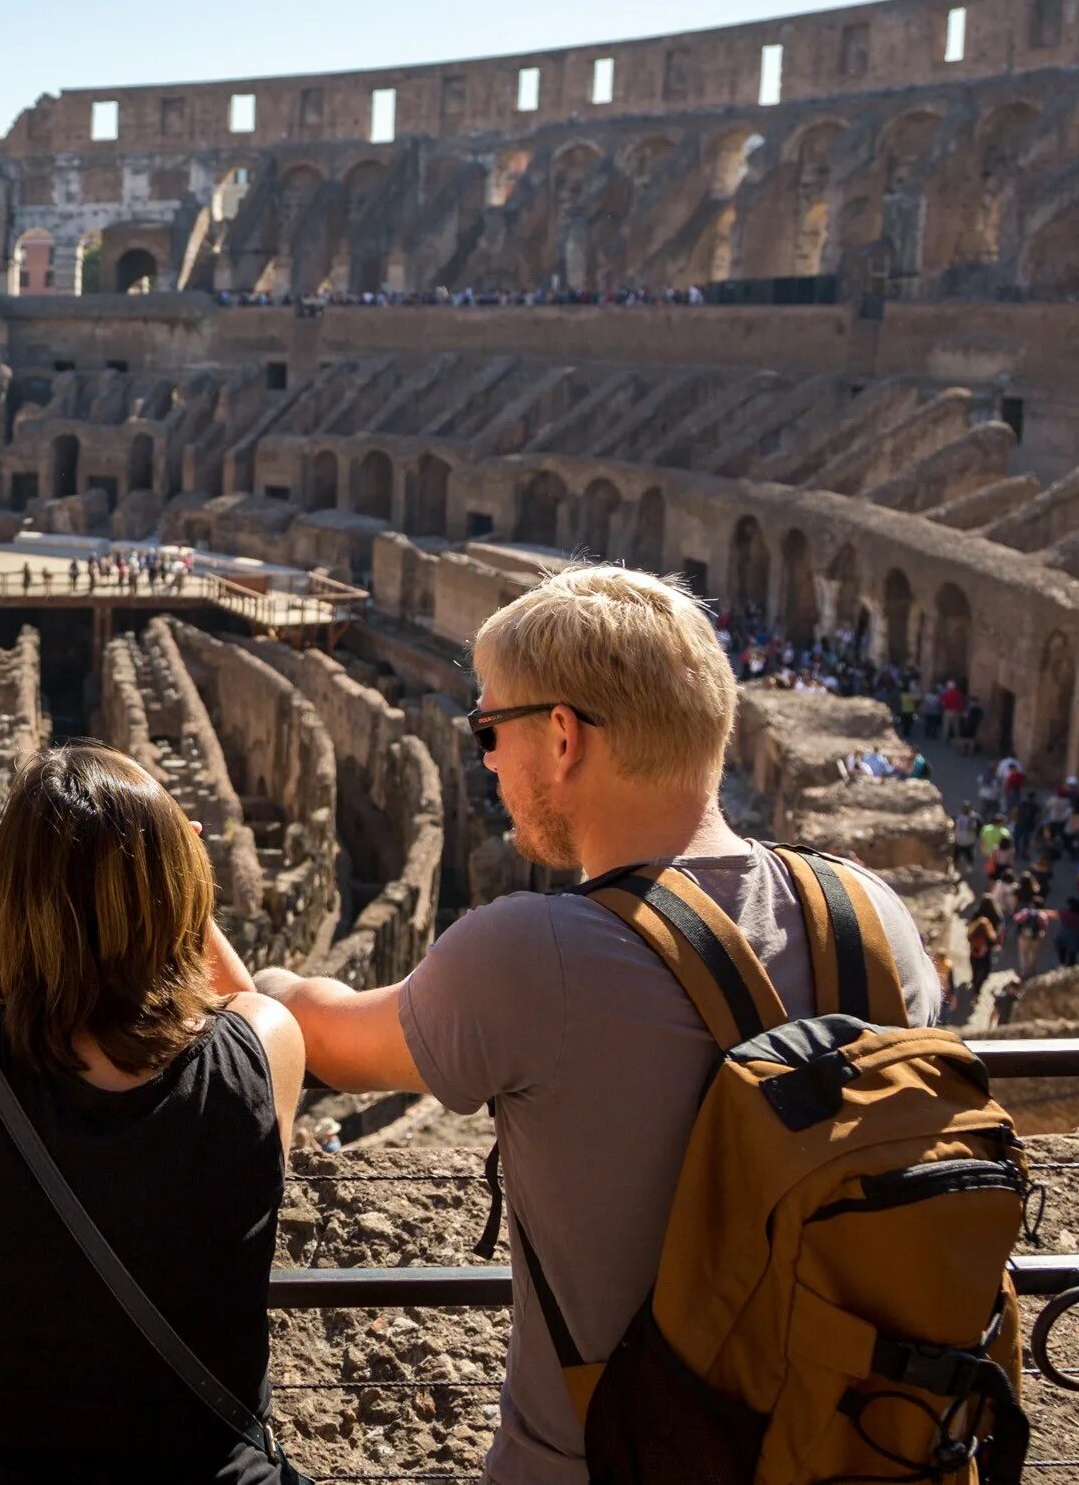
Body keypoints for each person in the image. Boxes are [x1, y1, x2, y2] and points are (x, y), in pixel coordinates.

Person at [248, 565, 937, 1484]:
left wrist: (250, 977)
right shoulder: (874, 917)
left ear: (563, 737)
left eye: (489, 729)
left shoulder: (532, 956)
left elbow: (326, 1036)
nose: (485, 758)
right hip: (864, 1446)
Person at [0, 742, 305, 1483]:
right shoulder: (268, 1043)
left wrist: (35, 957)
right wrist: (175, 879)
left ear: (2, 897)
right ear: (181, 898)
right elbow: (232, 1006)